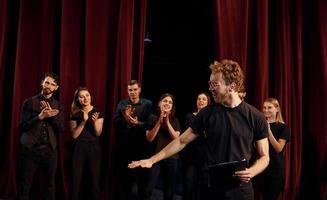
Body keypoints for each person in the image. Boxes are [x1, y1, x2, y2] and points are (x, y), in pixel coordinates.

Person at [128, 59, 270, 200]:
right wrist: (152, 160)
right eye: (210, 84)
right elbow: (181, 141)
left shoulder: (255, 117)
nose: (210, 89)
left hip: (241, 191)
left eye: (215, 84)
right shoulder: (207, 114)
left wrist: (252, 171)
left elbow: (264, 156)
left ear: (232, 86)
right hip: (212, 189)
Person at [17, 72, 64, 200]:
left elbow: (61, 128)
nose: (49, 85)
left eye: (52, 84)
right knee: (25, 184)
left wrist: (51, 117)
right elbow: (23, 126)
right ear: (42, 83)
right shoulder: (29, 102)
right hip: (30, 149)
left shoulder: (59, 106)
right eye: (47, 82)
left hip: (50, 150)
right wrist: (40, 117)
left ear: (56, 88)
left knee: (50, 185)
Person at [114, 80, 153, 200]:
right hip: (125, 148)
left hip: (142, 148)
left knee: (143, 182)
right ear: (127, 91)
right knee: (125, 181)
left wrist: (138, 123)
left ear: (139, 90)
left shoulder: (147, 104)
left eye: (135, 89)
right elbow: (116, 124)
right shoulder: (122, 104)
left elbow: (150, 125)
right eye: (130, 90)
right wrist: (125, 117)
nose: (133, 92)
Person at [144, 93, 181, 200]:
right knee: (148, 189)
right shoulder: (151, 118)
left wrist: (167, 122)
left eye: (170, 102)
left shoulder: (175, 120)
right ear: (160, 103)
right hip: (154, 158)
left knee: (168, 191)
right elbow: (149, 138)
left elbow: (176, 139)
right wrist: (159, 123)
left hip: (171, 159)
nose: (167, 103)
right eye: (165, 101)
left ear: (172, 106)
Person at [70, 87, 104, 200]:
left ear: (91, 96)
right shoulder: (75, 113)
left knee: (94, 180)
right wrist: (84, 121)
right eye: (82, 96)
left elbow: (98, 133)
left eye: (87, 95)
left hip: (93, 147)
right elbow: (74, 135)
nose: (85, 98)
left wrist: (94, 122)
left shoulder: (98, 112)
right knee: (76, 180)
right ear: (78, 99)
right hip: (79, 147)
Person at [181, 92, 211, 200]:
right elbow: (192, 134)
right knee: (189, 186)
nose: (201, 101)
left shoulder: (212, 118)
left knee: (202, 189)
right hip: (191, 157)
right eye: (199, 99)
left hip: (205, 159)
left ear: (208, 103)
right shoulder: (189, 116)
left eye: (203, 99)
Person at [259, 97, 290, 200]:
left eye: (269, 107)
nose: (266, 110)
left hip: (275, 170)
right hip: (261, 168)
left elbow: (278, 148)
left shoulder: (283, 127)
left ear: (277, 109)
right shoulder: (260, 125)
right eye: (264, 107)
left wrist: (268, 131)